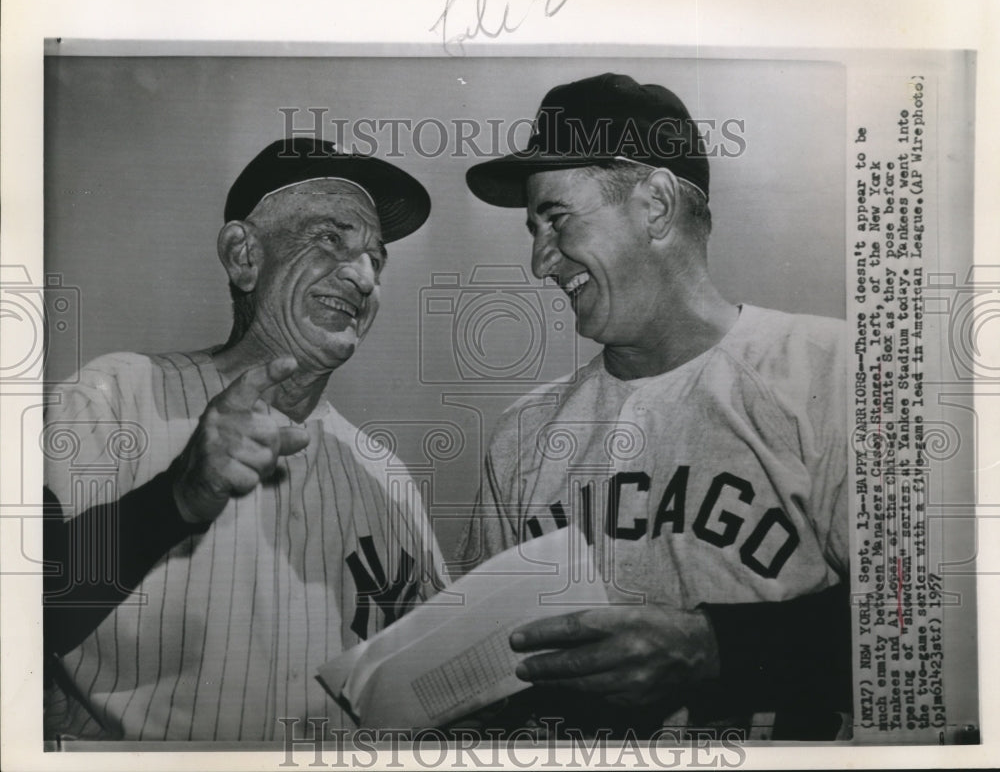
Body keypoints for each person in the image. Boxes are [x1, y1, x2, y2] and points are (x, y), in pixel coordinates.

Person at [459, 73, 851, 740]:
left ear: (657, 206)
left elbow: (929, 625)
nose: (539, 261)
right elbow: (474, 680)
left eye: (556, 219)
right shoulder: (523, 437)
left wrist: (714, 648)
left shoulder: (830, 369)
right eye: (533, 229)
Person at [42, 138, 447, 742]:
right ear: (243, 256)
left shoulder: (382, 473)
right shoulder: (114, 395)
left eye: (376, 260)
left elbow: (436, 678)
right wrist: (175, 498)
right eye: (331, 238)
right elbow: (23, 616)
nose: (363, 278)